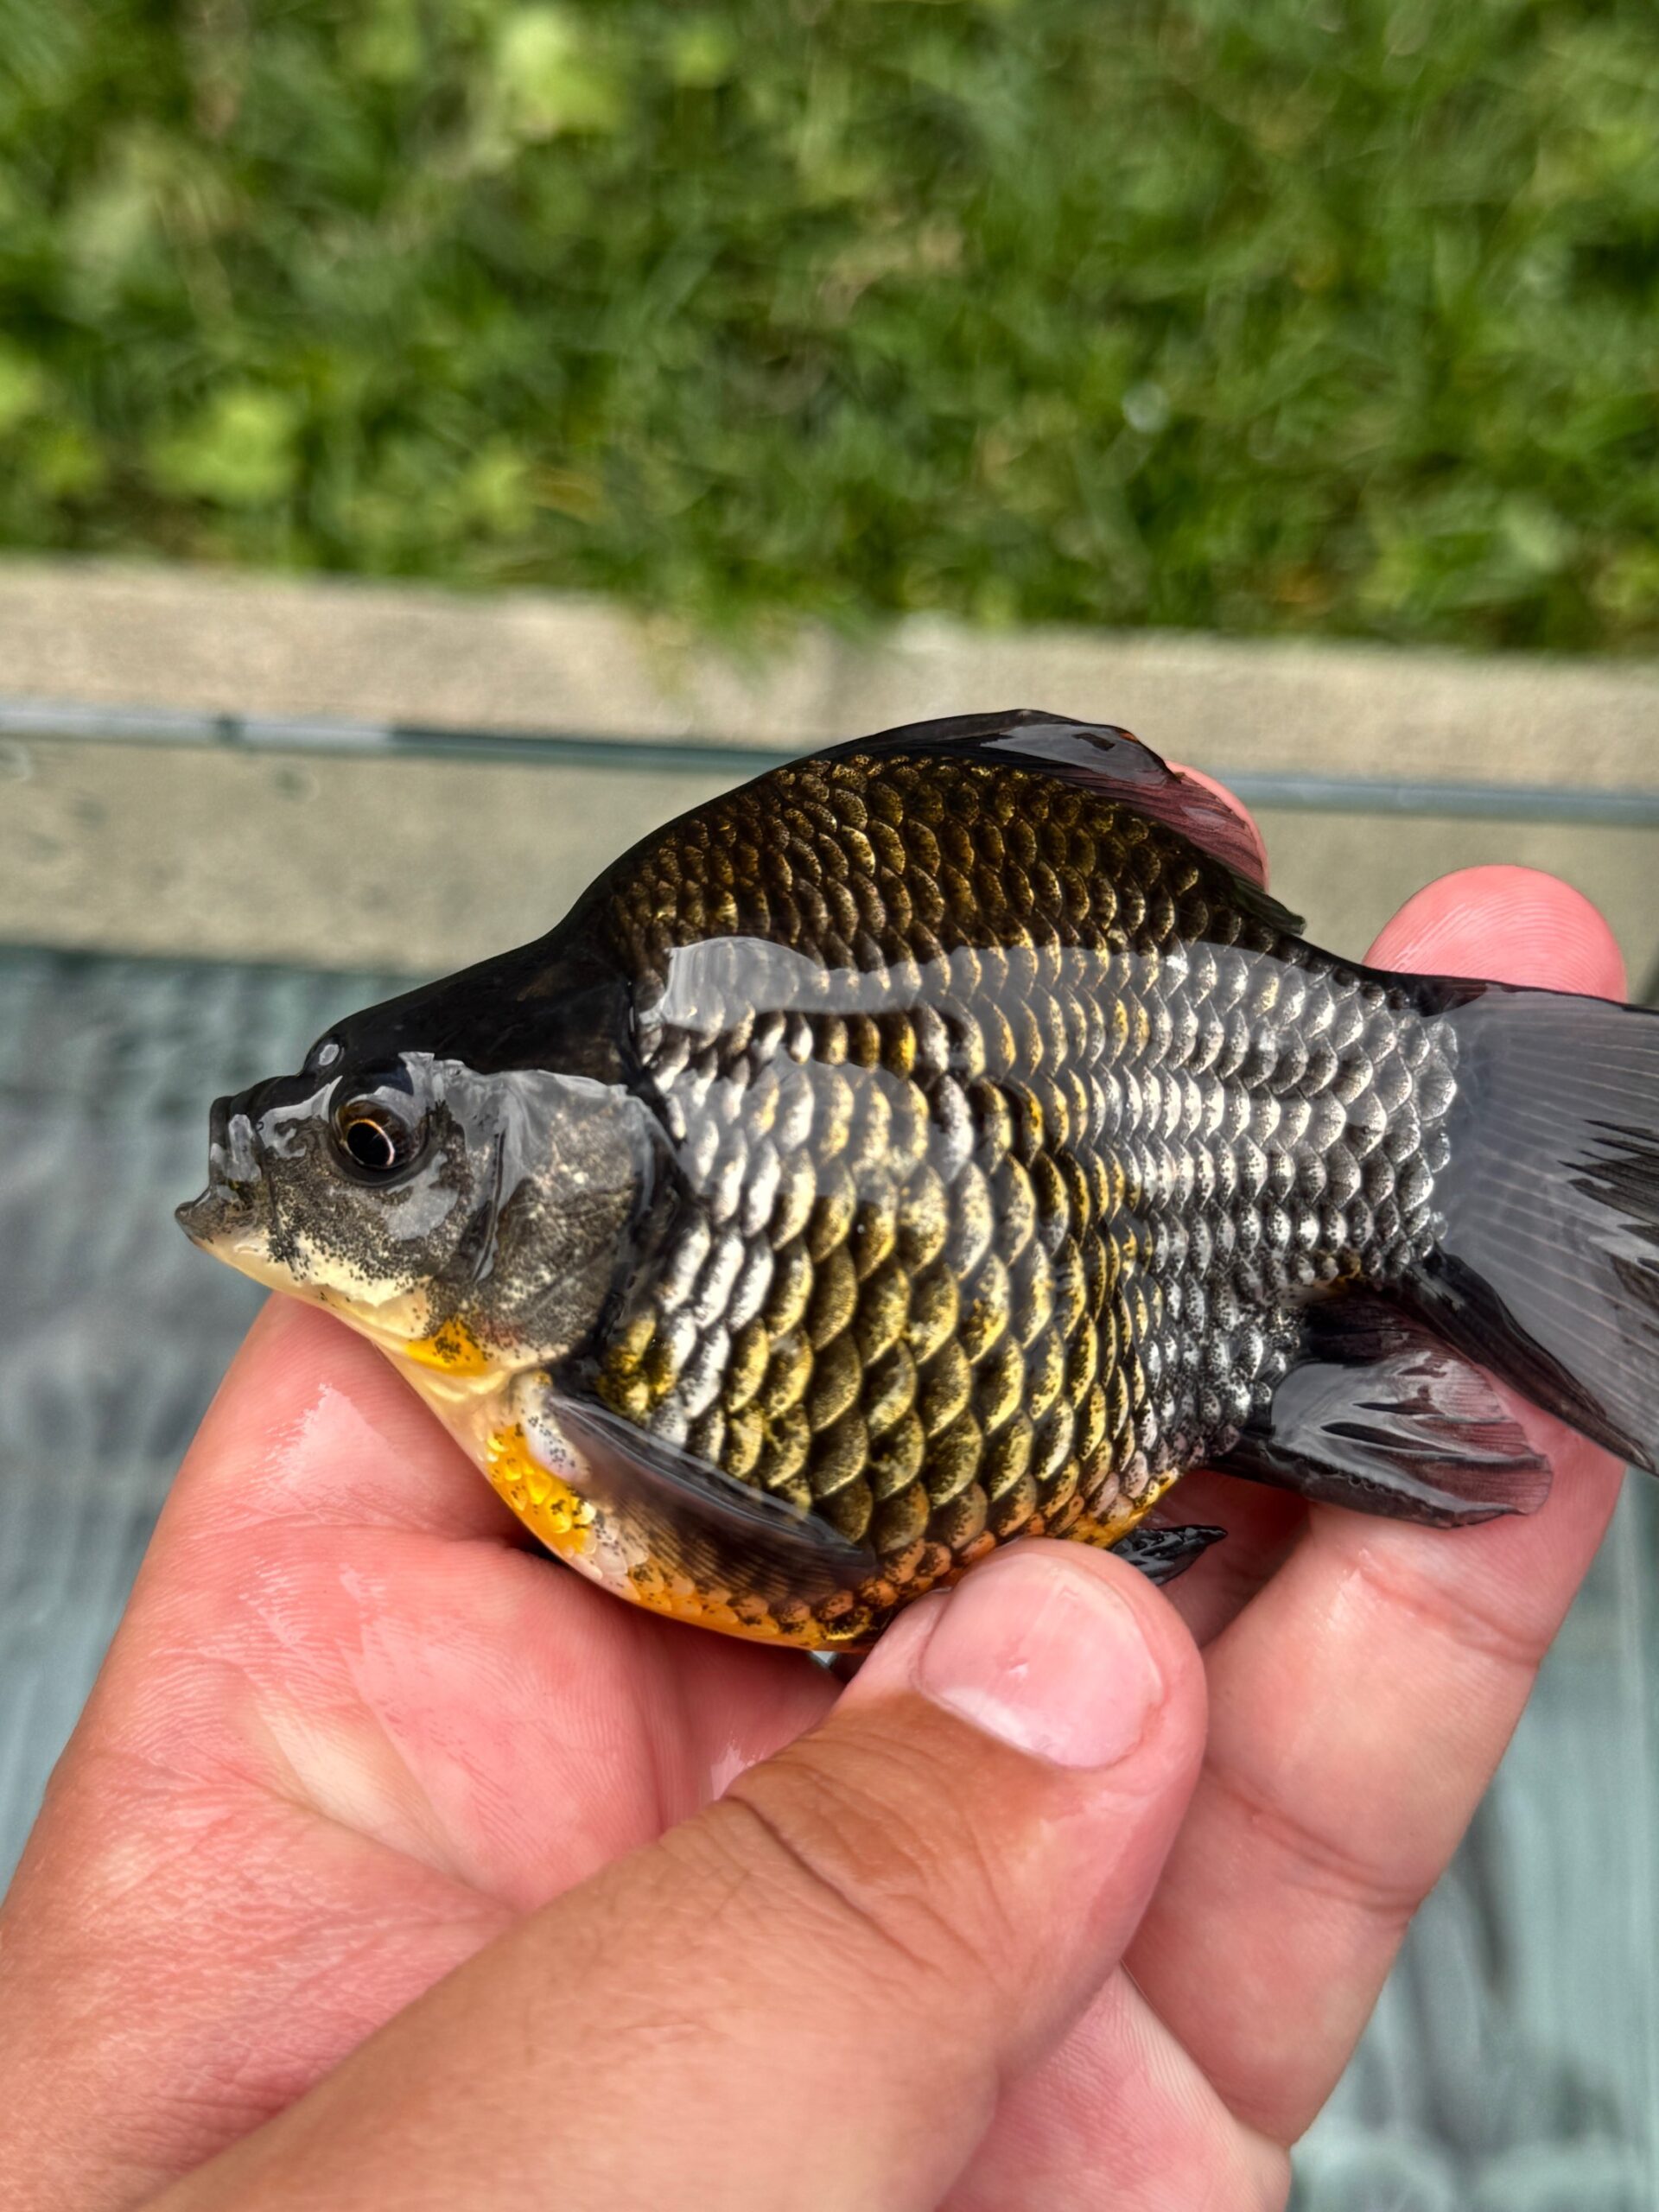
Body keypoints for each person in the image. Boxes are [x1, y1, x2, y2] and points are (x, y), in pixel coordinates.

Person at [0, 815, 1631, 2212]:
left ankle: (1483, 1136)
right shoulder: (545, 1387)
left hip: (1163, 1257)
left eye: (373, 1148)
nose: (291, 1155)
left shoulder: (571, 1410)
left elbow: (776, 1548)